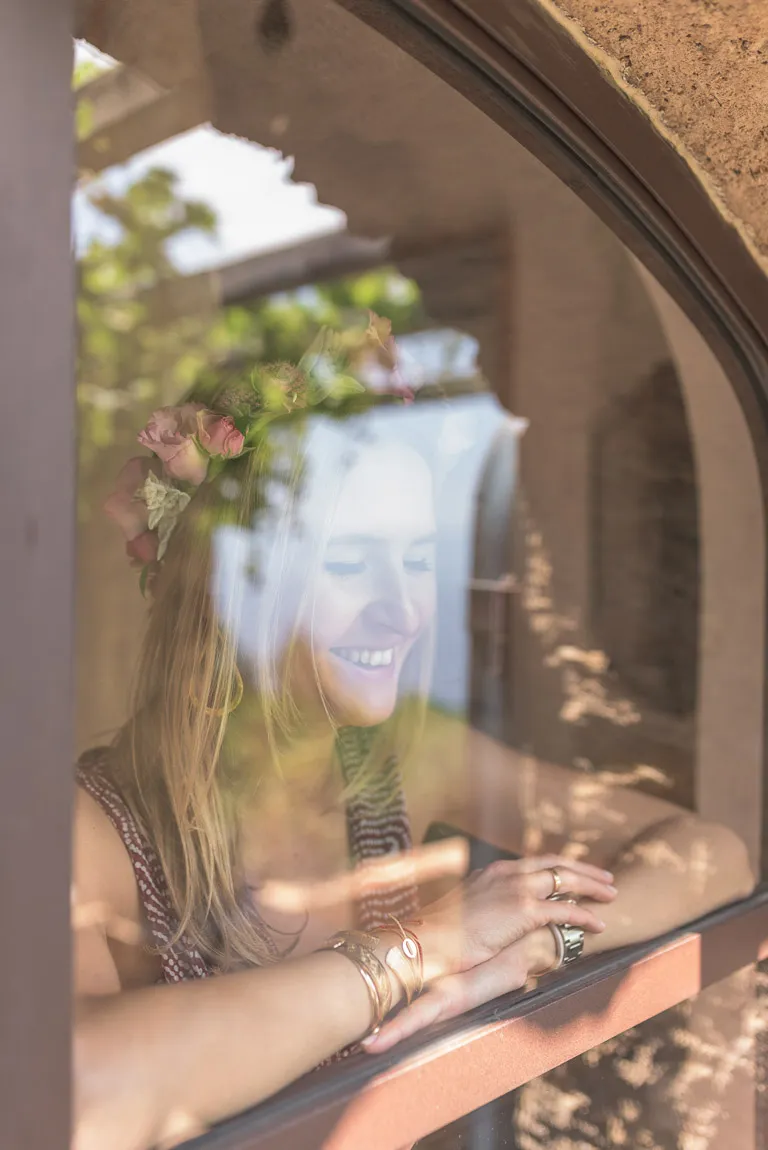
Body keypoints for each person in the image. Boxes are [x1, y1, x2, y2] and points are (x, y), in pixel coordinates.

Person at [72, 322, 754, 1150]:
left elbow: (713, 856)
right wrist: (421, 947)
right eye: (353, 564)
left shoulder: (404, 759)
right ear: (236, 591)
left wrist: (547, 941)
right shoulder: (92, 834)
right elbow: (81, 1092)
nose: (403, 608)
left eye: (418, 559)